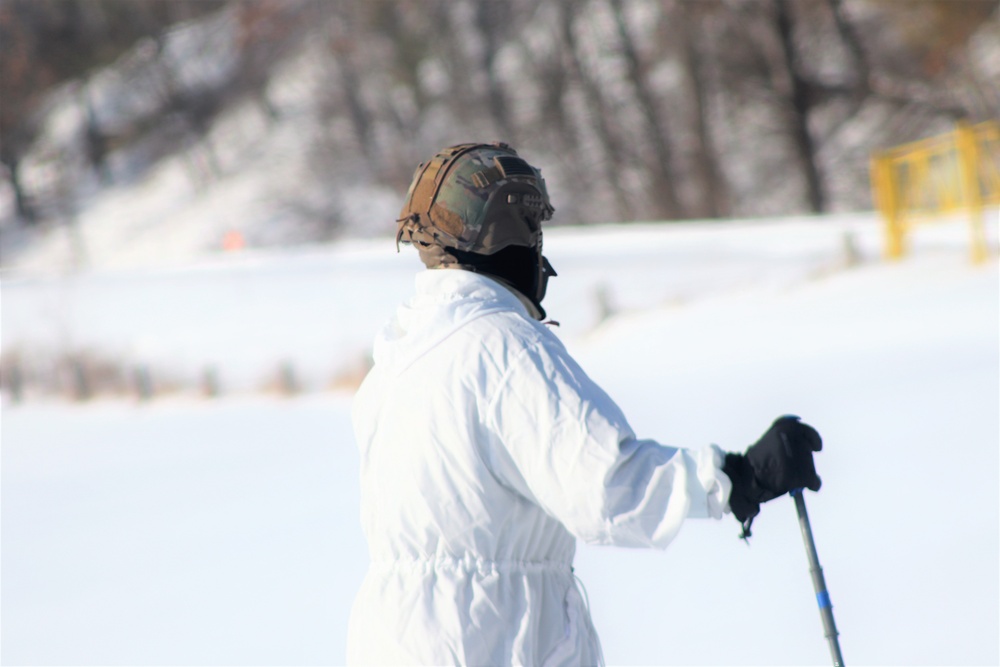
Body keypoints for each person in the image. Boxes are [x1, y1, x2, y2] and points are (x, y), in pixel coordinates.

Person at [346, 142, 823, 666]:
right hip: (488, 639)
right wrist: (737, 476)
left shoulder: (393, 366)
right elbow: (604, 484)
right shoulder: (502, 347)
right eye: (531, 227)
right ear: (504, 233)